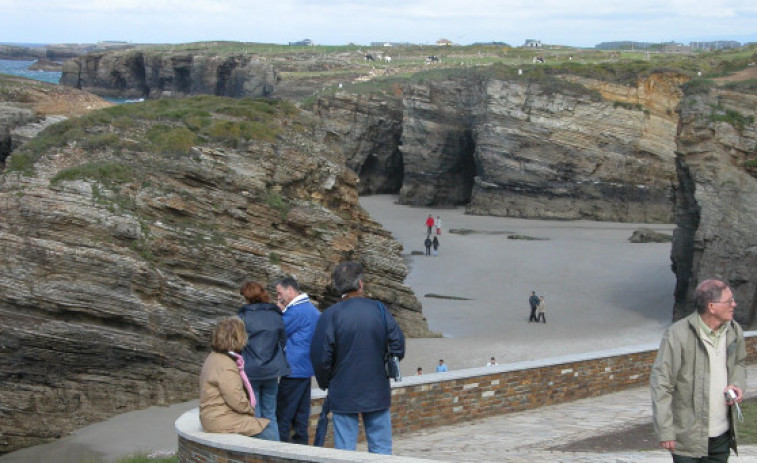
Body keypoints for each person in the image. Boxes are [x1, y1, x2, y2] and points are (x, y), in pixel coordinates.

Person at [310, 261, 406, 454]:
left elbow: (320, 357)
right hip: (376, 388)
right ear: (360, 284)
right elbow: (398, 346)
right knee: (381, 449)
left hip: (343, 390)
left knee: (345, 451)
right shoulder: (379, 310)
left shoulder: (330, 315)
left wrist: (327, 382)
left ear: (337, 287)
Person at [650, 279, 746, 462]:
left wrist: (737, 383)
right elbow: (661, 384)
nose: (734, 304)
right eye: (729, 301)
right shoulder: (677, 335)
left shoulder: (734, 331)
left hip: (722, 438)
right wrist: (665, 430)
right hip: (686, 440)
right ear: (712, 306)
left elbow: (740, 363)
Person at [199, 317, 279, 440]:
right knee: (269, 433)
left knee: (262, 425)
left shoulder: (215, 357)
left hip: (214, 417)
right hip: (221, 419)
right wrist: (250, 410)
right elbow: (236, 399)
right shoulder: (226, 365)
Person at [237, 281, 290, 441]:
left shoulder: (243, 317)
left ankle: (258, 452)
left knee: (256, 415)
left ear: (246, 297)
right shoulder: (275, 314)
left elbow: (237, 345)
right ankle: (274, 452)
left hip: (251, 372)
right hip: (272, 371)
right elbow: (283, 341)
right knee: (270, 414)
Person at [274, 276, 320, 445]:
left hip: (293, 370)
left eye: (280, 293)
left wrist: (279, 311)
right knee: (301, 416)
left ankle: (283, 452)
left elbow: (278, 330)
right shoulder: (312, 310)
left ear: (290, 290)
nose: (279, 297)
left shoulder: (296, 311)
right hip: (306, 368)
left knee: (283, 416)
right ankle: (301, 450)